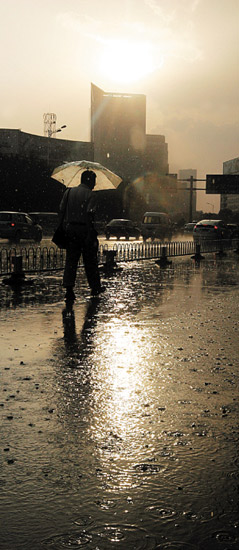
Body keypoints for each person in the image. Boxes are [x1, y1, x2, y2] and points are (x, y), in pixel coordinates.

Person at [59, 169, 105, 302]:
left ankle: (69, 289)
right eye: (94, 181)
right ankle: (95, 286)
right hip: (84, 230)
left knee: (71, 260)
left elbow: (61, 209)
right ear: (89, 181)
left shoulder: (68, 192)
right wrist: (91, 233)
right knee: (90, 261)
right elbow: (90, 214)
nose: (95, 185)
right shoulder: (91, 195)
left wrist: (64, 226)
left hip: (70, 229)